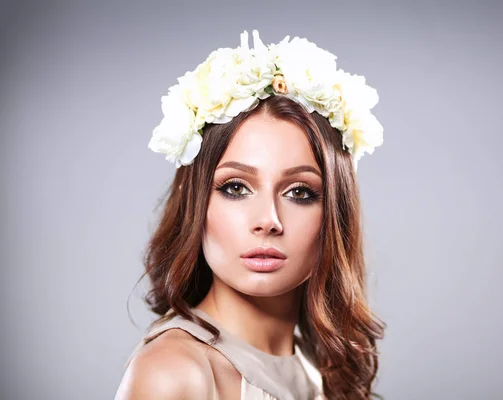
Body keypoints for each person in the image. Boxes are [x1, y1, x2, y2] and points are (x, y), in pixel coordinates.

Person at [115, 30, 386, 399]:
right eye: (236, 188)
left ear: (334, 214)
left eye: (299, 192)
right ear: (196, 202)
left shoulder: (318, 363)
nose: (268, 221)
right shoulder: (175, 373)